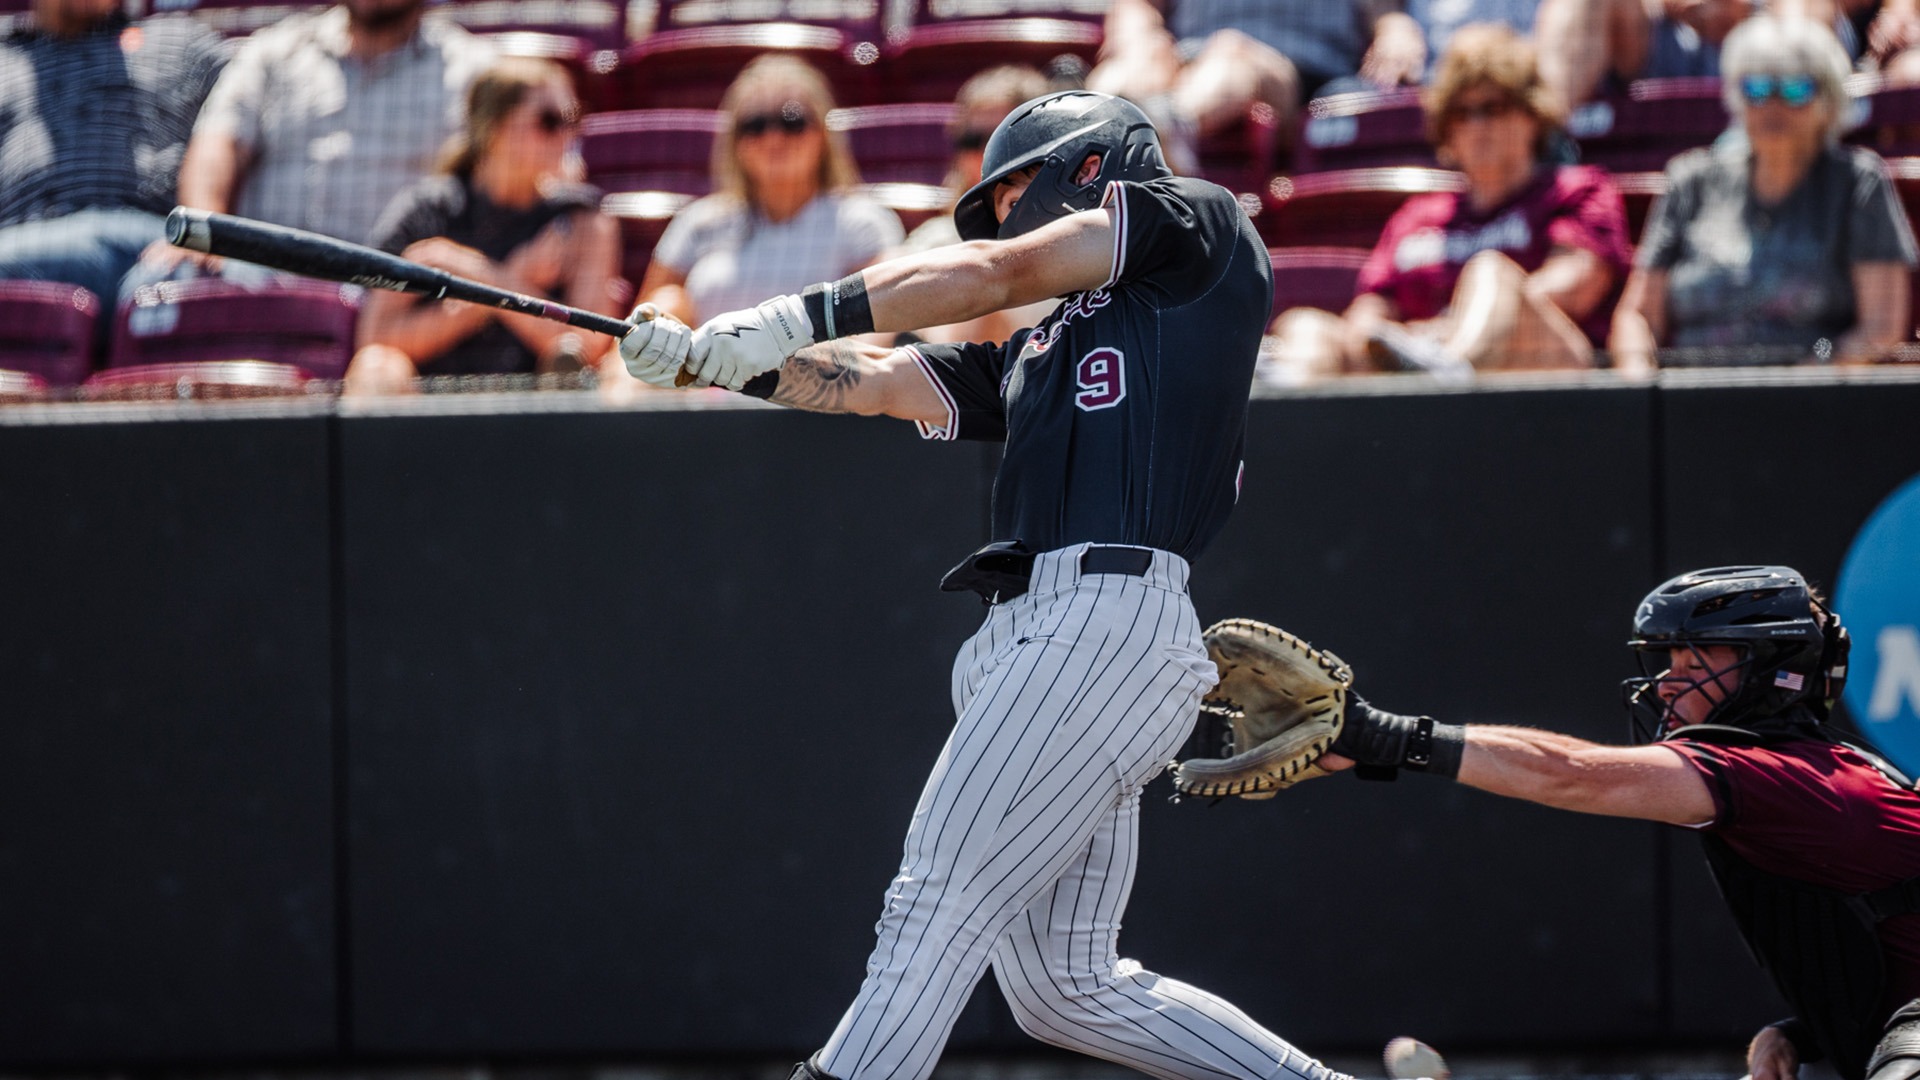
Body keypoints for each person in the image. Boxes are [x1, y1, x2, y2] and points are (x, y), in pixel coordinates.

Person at [619, 91, 1368, 1080]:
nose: (1011, 210)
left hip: (1104, 620)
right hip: (1042, 636)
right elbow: (883, 383)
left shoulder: (1201, 226)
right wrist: (722, 360)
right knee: (1069, 988)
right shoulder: (1041, 350)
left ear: (1091, 163)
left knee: (934, 906)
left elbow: (994, 270)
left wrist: (796, 310)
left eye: (1019, 183)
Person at [1315, 565, 1920, 1080]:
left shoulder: (1779, 777)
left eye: (1698, 653)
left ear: (1773, 667)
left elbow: (1575, 773)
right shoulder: (1810, 766)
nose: (1669, 676)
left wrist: (1385, 737)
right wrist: (1803, 1031)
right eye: (1669, 655)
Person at [1267, 24, 1631, 381]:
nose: (1477, 126)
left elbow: (1578, 286)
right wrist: (1378, 337)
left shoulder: (1576, 189)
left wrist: (1451, 329)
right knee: (1307, 329)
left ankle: (1447, 372)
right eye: (1462, 113)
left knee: (1491, 274)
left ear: (1531, 114)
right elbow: (1371, 310)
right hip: (1415, 366)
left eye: (1492, 107)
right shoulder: (1418, 217)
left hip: (1542, 385)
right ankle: (1285, 428)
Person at [1612, 14, 1917, 371]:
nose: (1773, 105)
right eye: (1755, 89)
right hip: (1689, 400)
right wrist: (1643, 391)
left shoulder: (1858, 182)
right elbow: (1637, 316)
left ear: (1829, 99)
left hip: (1813, 401)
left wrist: (1806, 375)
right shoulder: (1690, 179)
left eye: (1794, 89)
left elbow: (1881, 326)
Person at [132, 0, 495, 289]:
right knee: (156, 281)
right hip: (262, 277)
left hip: (394, 288)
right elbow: (218, 143)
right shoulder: (274, 51)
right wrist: (206, 233)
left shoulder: (472, 69)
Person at [345, 57, 622, 394]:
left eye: (572, 119)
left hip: (537, 409)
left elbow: (581, 350)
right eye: (550, 120)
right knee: (377, 369)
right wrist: (512, 279)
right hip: (425, 408)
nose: (567, 134)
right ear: (495, 128)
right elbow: (375, 336)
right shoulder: (427, 211)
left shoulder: (581, 220)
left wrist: (474, 272)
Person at [0, 0, 225, 328]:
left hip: (152, 243)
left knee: (172, 293)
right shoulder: (4, 58)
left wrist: (203, 231)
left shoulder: (182, 42)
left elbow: (250, 124)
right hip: (20, 242)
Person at [634, 56, 902, 328]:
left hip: (825, 368)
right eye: (755, 124)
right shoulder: (698, 221)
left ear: (822, 134)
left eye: (791, 120)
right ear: (735, 142)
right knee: (665, 303)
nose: (773, 137)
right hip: (702, 370)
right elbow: (640, 326)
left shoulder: (862, 222)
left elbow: (888, 318)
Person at [1086, 0, 1376, 168]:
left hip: (1299, 78)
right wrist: (1138, 40)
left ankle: (1164, 130)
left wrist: (1396, 34)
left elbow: (1388, 18)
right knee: (1139, 57)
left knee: (1232, 50)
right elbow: (1138, 7)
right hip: (1191, 63)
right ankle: (1084, 141)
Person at [890, 64, 1054, 345]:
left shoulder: (1071, 234)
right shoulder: (937, 236)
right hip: (927, 371)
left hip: (1027, 378)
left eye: (996, 139)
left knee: (977, 282)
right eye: (970, 140)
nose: (982, 154)